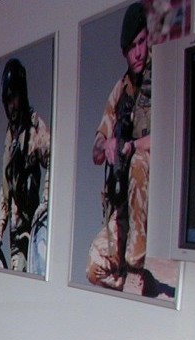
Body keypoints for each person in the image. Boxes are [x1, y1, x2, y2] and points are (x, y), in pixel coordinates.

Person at [87, 2, 151, 292]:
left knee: (138, 161)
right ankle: (132, 281)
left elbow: (170, 137)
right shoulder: (120, 91)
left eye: (142, 42)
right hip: (125, 201)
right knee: (93, 269)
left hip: (155, 189)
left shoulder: (161, 78)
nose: (138, 53)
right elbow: (96, 151)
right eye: (131, 47)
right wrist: (108, 144)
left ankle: (136, 269)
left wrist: (131, 146)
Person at [0, 58, 51, 274]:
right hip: (15, 233)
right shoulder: (9, 138)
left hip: (33, 228)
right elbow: (5, 190)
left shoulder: (35, 128)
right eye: (8, 99)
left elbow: (54, 161)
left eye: (14, 98)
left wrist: (46, 202)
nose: (11, 105)